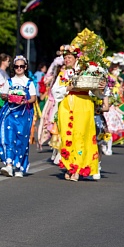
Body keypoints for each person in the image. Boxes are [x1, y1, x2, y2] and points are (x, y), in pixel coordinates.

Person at [52, 45, 103, 181]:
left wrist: (101, 87)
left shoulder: (86, 72)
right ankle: (70, 167)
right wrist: (68, 87)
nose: (67, 60)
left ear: (76, 58)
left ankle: (79, 169)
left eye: (69, 57)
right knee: (67, 135)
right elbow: (55, 90)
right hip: (66, 107)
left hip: (83, 105)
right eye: (65, 57)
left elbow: (96, 91)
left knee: (80, 136)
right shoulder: (62, 74)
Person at [0, 56, 37, 177]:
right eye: (16, 66)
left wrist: (25, 101)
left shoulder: (29, 82)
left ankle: (19, 165)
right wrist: (7, 96)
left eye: (21, 66)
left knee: (21, 140)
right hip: (10, 113)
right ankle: (8, 164)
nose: (19, 68)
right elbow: (3, 95)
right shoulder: (9, 81)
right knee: (8, 136)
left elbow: (33, 98)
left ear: (25, 67)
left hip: (23, 114)